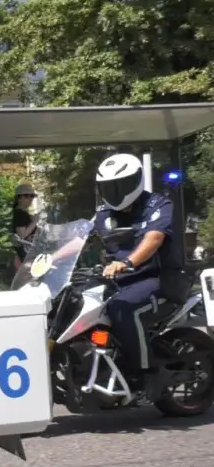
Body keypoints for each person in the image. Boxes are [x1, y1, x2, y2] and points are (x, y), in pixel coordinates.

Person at [92, 153, 183, 400]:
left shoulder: (158, 205)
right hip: (121, 282)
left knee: (123, 309)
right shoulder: (104, 213)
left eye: (119, 185)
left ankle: (148, 372)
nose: (114, 192)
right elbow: (82, 238)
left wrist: (126, 262)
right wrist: (51, 258)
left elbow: (154, 238)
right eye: (108, 187)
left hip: (160, 281)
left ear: (135, 181)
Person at [11, 183, 38, 270]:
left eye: (32, 196)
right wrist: (34, 222)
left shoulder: (23, 213)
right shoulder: (19, 214)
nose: (30, 199)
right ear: (19, 198)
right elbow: (22, 236)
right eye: (26, 196)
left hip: (31, 253)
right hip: (27, 255)